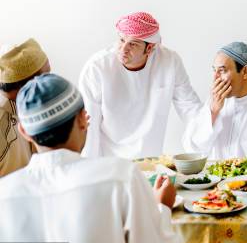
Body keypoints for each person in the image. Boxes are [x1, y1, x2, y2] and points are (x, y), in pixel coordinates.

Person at [0, 74, 179, 243]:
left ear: (24, 132)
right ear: (83, 119)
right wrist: (162, 209)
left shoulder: (3, 195)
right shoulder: (121, 178)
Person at [79, 11, 202, 158]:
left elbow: (190, 109)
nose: (123, 49)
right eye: (121, 40)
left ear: (149, 49)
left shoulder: (170, 61)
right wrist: (89, 169)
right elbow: (88, 127)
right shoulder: (97, 67)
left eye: (133, 44)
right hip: (108, 161)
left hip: (151, 162)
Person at [0, 38, 50, 176]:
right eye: (46, 76)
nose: (50, 83)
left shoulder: (28, 106)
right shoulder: (3, 125)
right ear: (29, 84)